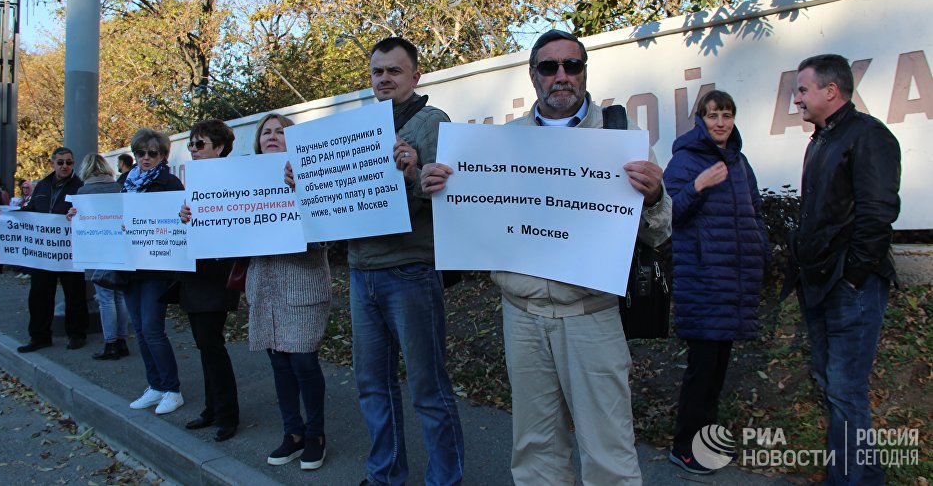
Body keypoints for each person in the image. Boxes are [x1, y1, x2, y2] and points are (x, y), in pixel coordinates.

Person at [421, 29, 671, 485]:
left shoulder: (620, 137)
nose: (561, 75)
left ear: (584, 73)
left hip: (591, 315)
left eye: (571, 66)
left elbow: (658, 232)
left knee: (609, 454)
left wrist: (653, 197)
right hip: (522, 315)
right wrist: (440, 188)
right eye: (549, 66)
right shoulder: (502, 143)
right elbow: (475, 222)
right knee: (535, 450)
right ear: (533, 75)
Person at [288, 36, 464, 485]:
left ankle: (445, 478)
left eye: (394, 70)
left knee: (427, 388)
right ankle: (386, 473)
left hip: (411, 271)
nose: (384, 78)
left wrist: (412, 172)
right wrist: (302, 178)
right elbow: (336, 200)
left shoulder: (431, 123)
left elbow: (444, 193)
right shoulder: (359, 128)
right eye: (377, 71)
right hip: (362, 272)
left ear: (415, 76)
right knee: (372, 386)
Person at [783, 54, 901, 485]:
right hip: (820, 285)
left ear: (830, 91)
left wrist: (852, 275)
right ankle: (858, 476)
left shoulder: (869, 137)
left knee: (845, 389)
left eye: (801, 89)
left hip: (851, 287)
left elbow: (878, 215)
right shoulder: (821, 139)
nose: (796, 98)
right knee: (835, 387)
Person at [663, 90, 769, 475]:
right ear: (699, 120)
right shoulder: (685, 161)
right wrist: (698, 186)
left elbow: (754, 211)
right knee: (702, 370)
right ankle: (684, 447)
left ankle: (704, 445)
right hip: (703, 281)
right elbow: (667, 215)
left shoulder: (740, 162)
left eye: (727, 115)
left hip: (735, 283)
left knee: (718, 371)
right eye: (713, 116)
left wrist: (762, 251)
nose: (720, 122)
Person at [246, 112, 331, 469]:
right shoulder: (241, 180)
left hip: (302, 282)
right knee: (278, 362)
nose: (272, 136)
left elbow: (327, 234)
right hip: (264, 286)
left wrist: (302, 194)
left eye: (281, 131)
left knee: (303, 361)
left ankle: (315, 435)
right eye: (266, 131)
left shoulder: (311, 174)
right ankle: (292, 434)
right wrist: (197, 218)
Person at [176, 120, 241, 443]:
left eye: (199, 144)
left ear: (219, 148)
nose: (193, 150)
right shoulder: (191, 181)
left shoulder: (232, 179)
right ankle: (212, 408)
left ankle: (227, 414)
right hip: (194, 273)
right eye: (191, 144)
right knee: (204, 344)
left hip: (216, 275)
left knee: (212, 344)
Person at [122, 128, 186, 415]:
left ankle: (172, 388)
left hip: (157, 267)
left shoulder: (169, 183)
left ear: (162, 156)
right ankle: (155, 385)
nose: (145, 158)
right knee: (139, 329)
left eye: (152, 153)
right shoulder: (124, 182)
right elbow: (110, 214)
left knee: (152, 329)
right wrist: (80, 215)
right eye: (140, 153)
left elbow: (180, 220)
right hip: (128, 266)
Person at [15, 148, 86, 353]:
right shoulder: (42, 186)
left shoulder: (79, 187)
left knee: (75, 294)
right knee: (39, 295)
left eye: (69, 163)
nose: (65, 166)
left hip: (68, 252)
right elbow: (31, 211)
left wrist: (77, 215)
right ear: (53, 163)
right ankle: (39, 336)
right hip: (44, 253)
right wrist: (7, 215)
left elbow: (86, 215)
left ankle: (76, 334)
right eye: (61, 162)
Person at [67, 154, 130, 361]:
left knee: (104, 299)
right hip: (119, 248)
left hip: (96, 250)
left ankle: (110, 343)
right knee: (119, 296)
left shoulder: (83, 192)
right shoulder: (119, 189)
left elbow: (80, 223)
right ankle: (122, 341)